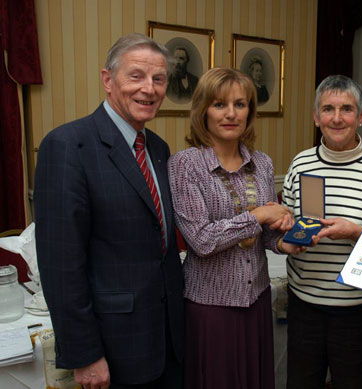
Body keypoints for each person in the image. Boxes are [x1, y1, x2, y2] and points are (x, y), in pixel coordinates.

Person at [34, 33, 184, 388]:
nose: (149, 88)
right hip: (114, 348)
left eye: (158, 79)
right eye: (136, 76)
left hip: (170, 340)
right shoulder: (69, 146)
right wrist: (84, 353)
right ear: (107, 80)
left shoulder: (159, 148)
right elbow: (61, 266)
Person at [167, 67, 303, 389]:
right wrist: (260, 215)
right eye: (219, 104)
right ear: (203, 110)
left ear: (250, 112)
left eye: (240, 105)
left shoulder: (263, 163)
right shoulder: (186, 165)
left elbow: (266, 236)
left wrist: (284, 243)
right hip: (210, 308)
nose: (231, 114)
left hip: (256, 300)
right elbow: (201, 240)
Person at [282, 74, 362, 389]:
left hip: (359, 311)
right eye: (327, 109)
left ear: (361, 117)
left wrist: (357, 232)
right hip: (304, 305)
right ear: (316, 117)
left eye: (346, 109)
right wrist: (287, 230)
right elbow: (288, 222)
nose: (336, 118)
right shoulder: (300, 164)